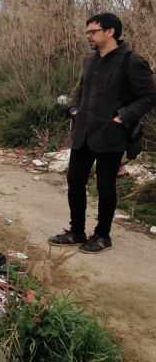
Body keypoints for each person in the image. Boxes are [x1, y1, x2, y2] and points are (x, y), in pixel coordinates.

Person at [49, 13, 156, 253]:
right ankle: (77, 231)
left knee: (105, 185)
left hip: (111, 134)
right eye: (87, 32)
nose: (88, 36)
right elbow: (82, 89)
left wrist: (123, 117)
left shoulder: (131, 61)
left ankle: (102, 236)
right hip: (84, 132)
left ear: (110, 32)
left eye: (93, 32)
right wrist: (74, 108)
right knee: (75, 181)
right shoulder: (90, 60)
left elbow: (149, 96)